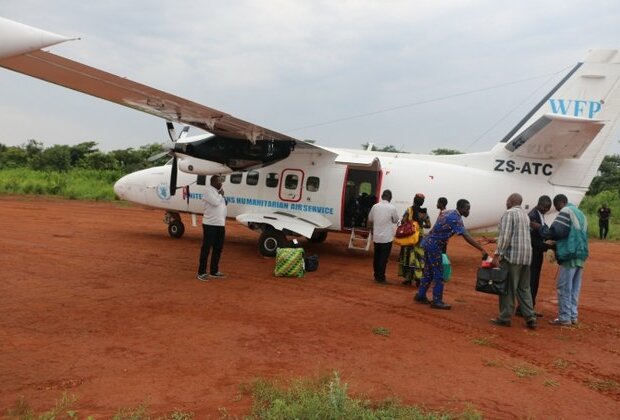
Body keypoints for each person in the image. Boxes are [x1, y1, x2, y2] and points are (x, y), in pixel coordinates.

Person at [414, 199, 488, 309]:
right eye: (467, 209)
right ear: (462, 208)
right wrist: (481, 249)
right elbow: (466, 236)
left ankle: (420, 295)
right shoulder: (455, 219)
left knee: (428, 271)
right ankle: (437, 301)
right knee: (438, 273)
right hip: (434, 246)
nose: (469, 212)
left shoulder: (448, 213)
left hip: (428, 243)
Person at [534, 194, 589, 326]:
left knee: (564, 287)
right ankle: (573, 316)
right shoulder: (580, 213)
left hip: (569, 255)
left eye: (556, 206)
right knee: (575, 288)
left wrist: (540, 228)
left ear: (561, 202)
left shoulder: (566, 211)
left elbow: (556, 232)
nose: (557, 210)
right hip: (580, 255)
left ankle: (564, 318)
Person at [490, 193, 537, 329]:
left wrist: (497, 255)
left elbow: (505, 237)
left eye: (507, 200)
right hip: (526, 257)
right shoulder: (525, 215)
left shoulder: (509, 213)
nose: (506, 203)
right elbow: (519, 236)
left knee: (508, 288)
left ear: (510, 201)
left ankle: (504, 317)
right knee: (524, 288)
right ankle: (530, 317)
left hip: (512, 257)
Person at [516, 195, 552, 318]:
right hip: (533, 254)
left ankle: (526, 307)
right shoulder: (533, 217)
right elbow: (531, 240)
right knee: (531, 281)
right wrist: (547, 246)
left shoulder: (539, 215)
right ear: (540, 205)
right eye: (546, 207)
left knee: (533, 281)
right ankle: (526, 308)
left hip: (536, 253)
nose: (547, 210)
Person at [197, 175, 228, 281]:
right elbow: (215, 203)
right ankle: (201, 272)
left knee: (218, 248)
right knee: (206, 248)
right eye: (219, 181)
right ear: (214, 181)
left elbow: (223, 205)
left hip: (220, 224)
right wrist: (220, 195)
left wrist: (221, 196)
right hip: (210, 224)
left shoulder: (218, 192)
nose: (221, 183)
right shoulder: (208, 191)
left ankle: (214, 271)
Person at [398, 193, 431, 287]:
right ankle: (418, 279)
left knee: (408, 257)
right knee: (419, 258)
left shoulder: (409, 210)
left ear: (414, 200)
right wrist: (420, 225)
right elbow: (429, 225)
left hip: (409, 236)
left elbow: (403, 221)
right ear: (422, 202)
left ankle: (408, 279)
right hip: (419, 237)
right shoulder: (424, 212)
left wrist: (411, 224)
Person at [368, 190, 399, 284]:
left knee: (376, 256)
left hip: (377, 236)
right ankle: (381, 277)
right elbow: (395, 220)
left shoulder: (375, 206)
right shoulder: (392, 208)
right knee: (383, 258)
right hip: (387, 237)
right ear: (390, 198)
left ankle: (376, 275)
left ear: (382, 196)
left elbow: (370, 219)